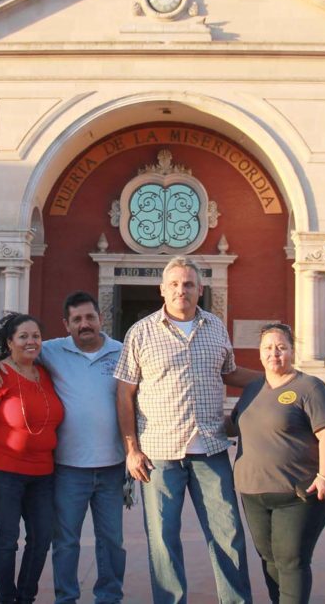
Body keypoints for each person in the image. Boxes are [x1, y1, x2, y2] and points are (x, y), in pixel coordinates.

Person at [114, 256, 259, 604]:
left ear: (200, 289)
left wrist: (279, 379)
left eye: (189, 284)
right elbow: (124, 392)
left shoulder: (215, 327)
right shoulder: (141, 332)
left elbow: (230, 373)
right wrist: (131, 449)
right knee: (163, 540)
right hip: (159, 456)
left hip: (210, 450)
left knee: (228, 535)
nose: (182, 290)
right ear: (162, 290)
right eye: (175, 284)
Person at [0, 292, 126, 604]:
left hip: (112, 466)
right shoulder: (52, 350)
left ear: (101, 318)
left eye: (90, 317)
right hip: (68, 469)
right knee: (65, 542)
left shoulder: (123, 352)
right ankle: (66, 598)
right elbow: (19, 347)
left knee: (112, 540)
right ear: (66, 324)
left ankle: (109, 597)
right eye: (77, 319)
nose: (84, 324)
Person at [227, 322, 325, 604]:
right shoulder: (254, 388)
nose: (274, 353)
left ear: (292, 350)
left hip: (297, 495)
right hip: (253, 493)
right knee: (269, 559)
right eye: (268, 348)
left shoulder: (310, 387)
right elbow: (232, 425)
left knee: (291, 561)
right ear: (259, 353)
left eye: (281, 347)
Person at [0, 312, 64, 604]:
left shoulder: (43, 372)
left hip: (44, 473)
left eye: (36, 336)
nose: (31, 342)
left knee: (41, 537)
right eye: (23, 336)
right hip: (4, 472)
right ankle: (8, 599)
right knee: (7, 540)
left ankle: (25, 597)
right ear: (10, 342)